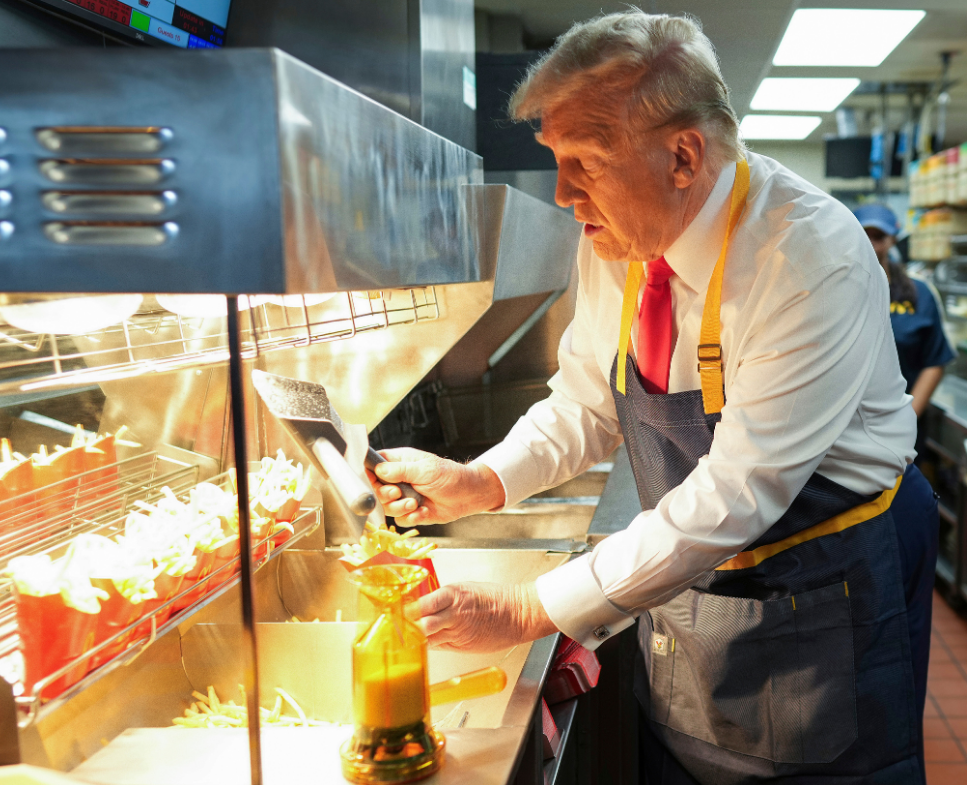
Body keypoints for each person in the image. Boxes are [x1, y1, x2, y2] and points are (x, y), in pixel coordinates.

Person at [373, 11, 938, 784]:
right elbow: (585, 403)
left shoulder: (807, 255)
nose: (566, 193)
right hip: (694, 578)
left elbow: (738, 491)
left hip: (823, 577)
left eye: (588, 161)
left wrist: (529, 608)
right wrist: (482, 481)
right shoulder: (619, 235)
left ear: (682, 156)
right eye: (556, 159)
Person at [853, 204, 955, 416]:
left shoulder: (920, 294)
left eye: (878, 236)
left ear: (893, 239)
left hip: (901, 423)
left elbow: (934, 361)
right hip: (844, 429)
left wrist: (907, 420)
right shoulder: (838, 291)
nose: (871, 245)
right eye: (864, 235)